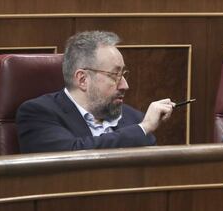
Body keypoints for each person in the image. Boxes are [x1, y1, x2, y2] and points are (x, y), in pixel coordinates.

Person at [16, 31, 175, 153]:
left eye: (124, 75)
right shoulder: (37, 113)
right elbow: (72, 155)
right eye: (115, 75)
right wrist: (143, 128)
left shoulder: (134, 118)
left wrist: (142, 126)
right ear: (83, 79)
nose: (125, 85)